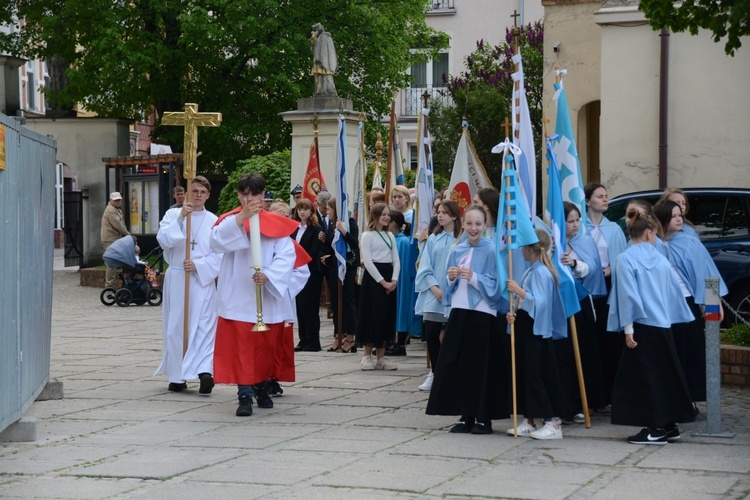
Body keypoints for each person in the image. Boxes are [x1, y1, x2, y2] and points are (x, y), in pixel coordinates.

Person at [210, 172, 307, 417]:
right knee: (241, 348)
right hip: (237, 295)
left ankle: (262, 385)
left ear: (263, 195)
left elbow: (286, 255)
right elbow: (216, 242)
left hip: (266, 295)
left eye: (254, 194)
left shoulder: (277, 224)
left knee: (264, 347)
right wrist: (242, 217)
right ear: (239, 195)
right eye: (244, 194)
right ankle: (244, 393)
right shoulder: (229, 220)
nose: (249, 199)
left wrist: (270, 275)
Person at [606, 207, 696, 445]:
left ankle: (655, 428)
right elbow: (674, 292)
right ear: (648, 233)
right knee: (665, 374)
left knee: (645, 378)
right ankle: (669, 424)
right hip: (663, 324)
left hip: (641, 325)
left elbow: (627, 296)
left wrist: (627, 329)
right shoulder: (660, 259)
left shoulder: (624, 259)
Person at [426, 205, 507, 434]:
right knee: (459, 363)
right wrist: (451, 278)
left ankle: (484, 416)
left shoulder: (492, 250)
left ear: (485, 225)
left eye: (478, 224)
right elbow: (447, 288)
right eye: (469, 224)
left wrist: (474, 278)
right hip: (460, 312)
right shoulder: (457, 250)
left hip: (482, 313)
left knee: (481, 365)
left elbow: (497, 284)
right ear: (463, 223)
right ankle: (465, 414)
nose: (473, 228)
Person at [653, 199, 727, 407]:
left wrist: (711, 301)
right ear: (663, 218)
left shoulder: (690, 242)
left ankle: (689, 399)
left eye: (680, 215)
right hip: (663, 304)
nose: (679, 219)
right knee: (669, 352)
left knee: (690, 351)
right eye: (674, 215)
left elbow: (707, 270)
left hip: (687, 301)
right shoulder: (653, 244)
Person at [155, 176, 222, 393]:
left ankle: (204, 372)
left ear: (208, 195)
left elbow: (220, 254)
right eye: (195, 191)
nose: (199, 195)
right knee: (176, 327)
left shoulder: (214, 220)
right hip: (177, 279)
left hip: (201, 281)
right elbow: (164, 239)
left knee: (204, 326)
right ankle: (177, 376)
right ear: (187, 193)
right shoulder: (173, 214)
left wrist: (198, 265)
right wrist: (182, 217)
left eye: (203, 192)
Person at [506, 229, 568, 440]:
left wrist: (519, 292)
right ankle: (530, 418)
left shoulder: (541, 272)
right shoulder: (532, 270)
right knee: (526, 374)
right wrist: (514, 312)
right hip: (527, 326)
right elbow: (527, 303)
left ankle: (551, 421)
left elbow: (540, 303)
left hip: (537, 331)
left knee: (536, 376)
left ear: (529, 249)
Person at [557, 202, 606, 422]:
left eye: (578, 219)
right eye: (570, 221)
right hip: (557, 303)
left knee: (582, 352)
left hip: (579, 300)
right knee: (562, 354)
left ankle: (582, 402)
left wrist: (574, 263)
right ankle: (563, 402)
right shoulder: (553, 241)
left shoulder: (584, 240)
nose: (576, 225)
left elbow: (592, 268)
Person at [584, 182, 627, 411]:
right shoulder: (580, 226)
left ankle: (610, 396)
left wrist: (608, 270)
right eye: (600, 196)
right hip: (585, 288)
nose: (605, 199)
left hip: (607, 288)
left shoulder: (614, 229)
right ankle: (591, 396)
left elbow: (620, 259)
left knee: (608, 342)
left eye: (606, 196)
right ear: (589, 200)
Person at [415, 200, 461, 391]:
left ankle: (450, 374)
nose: (440, 215)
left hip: (456, 294)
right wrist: (434, 288)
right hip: (435, 294)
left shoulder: (463, 239)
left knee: (451, 336)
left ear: (455, 216)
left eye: (444, 212)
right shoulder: (433, 239)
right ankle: (434, 372)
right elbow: (425, 266)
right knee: (432, 334)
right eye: (438, 212)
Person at [357, 203, 399, 370]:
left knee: (386, 316)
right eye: (383, 214)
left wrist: (393, 281)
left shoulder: (390, 236)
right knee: (372, 315)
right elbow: (368, 262)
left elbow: (396, 260)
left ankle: (381, 357)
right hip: (374, 279)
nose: (386, 217)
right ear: (375, 216)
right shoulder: (367, 236)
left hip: (389, 275)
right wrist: (383, 282)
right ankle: (367, 356)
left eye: (388, 214)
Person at [321, 197, 359, 353]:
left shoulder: (350, 223)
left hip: (348, 267)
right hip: (336, 268)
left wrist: (344, 230)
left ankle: (350, 337)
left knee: (347, 301)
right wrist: (325, 241)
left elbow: (354, 244)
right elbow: (334, 247)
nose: (327, 212)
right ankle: (338, 335)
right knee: (336, 302)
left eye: (329, 209)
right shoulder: (332, 225)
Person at [292, 198, 324, 352]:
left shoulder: (316, 229)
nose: (302, 212)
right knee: (299, 306)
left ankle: (313, 342)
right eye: (299, 209)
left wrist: (300, 262)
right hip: (296, 271)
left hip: (311, 271)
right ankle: (303, 339)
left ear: (311, 211)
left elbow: (314, 250)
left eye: (305, 209)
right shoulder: (295, 228)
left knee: (309, 305)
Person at [386, 211, 412, 356]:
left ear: (393, 223)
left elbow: (404, 264)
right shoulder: (390, 239)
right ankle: (390, 342)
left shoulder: (403, 241)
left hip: (400, 280)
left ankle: (400, 343)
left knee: (400, 309)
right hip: (390, 279)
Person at [101, 191, 130, 288]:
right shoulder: (110, 210)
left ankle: (119, 283)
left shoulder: (117, 209)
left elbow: (121, 224)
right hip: (110, 239)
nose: (118, 202)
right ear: (111, 200)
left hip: (115, 238)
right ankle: (110, 285)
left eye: (119, 200)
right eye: (116, 200)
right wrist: (128, 235)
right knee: (111, 262)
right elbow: (118, 224)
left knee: (118, 260)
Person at [310, 23, 338, 96]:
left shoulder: (324, 37)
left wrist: (320, 59)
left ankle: (327, 91)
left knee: (325, 76)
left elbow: (323, 51)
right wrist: (313, 41)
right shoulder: (320, 38)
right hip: (319, 62)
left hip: (323, 61)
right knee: (319, 77)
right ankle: (320, 91)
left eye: (316, 30)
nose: (315, 31)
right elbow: (314, 50)